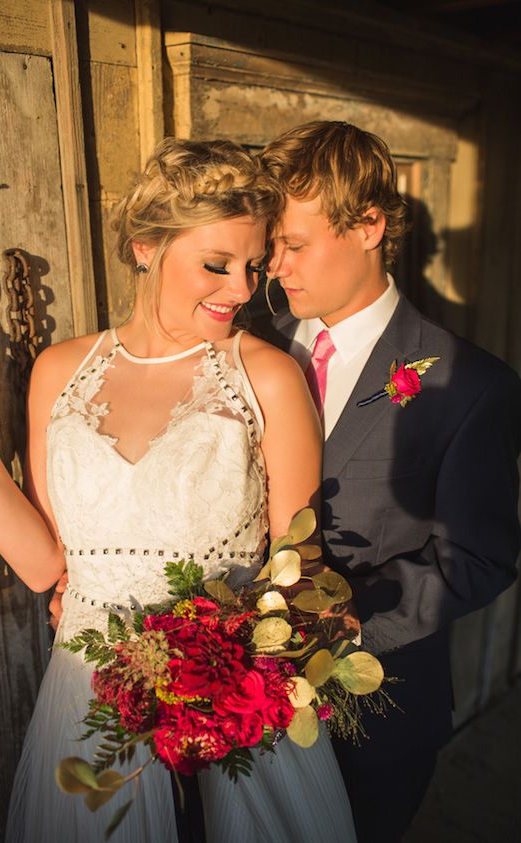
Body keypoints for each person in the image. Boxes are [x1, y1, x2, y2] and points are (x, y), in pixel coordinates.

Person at [0, 138, 358, 843]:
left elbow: (299, 568)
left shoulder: (268, 377)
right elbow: (47, 566)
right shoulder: (59, 371)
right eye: (216, 264)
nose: (240, 288)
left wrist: (224, 674)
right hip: (88, 694)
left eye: (252, 266)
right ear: (146, 246)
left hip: (229, 704)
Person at [258, 120, 521, 842]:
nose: (276, 265)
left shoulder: (472, 387)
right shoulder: (251, 341)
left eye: (296, 244)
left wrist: (351, 623)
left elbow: (478, 558)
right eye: (271, 244)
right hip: (238, 704)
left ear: (369, 224)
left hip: (374, 719)